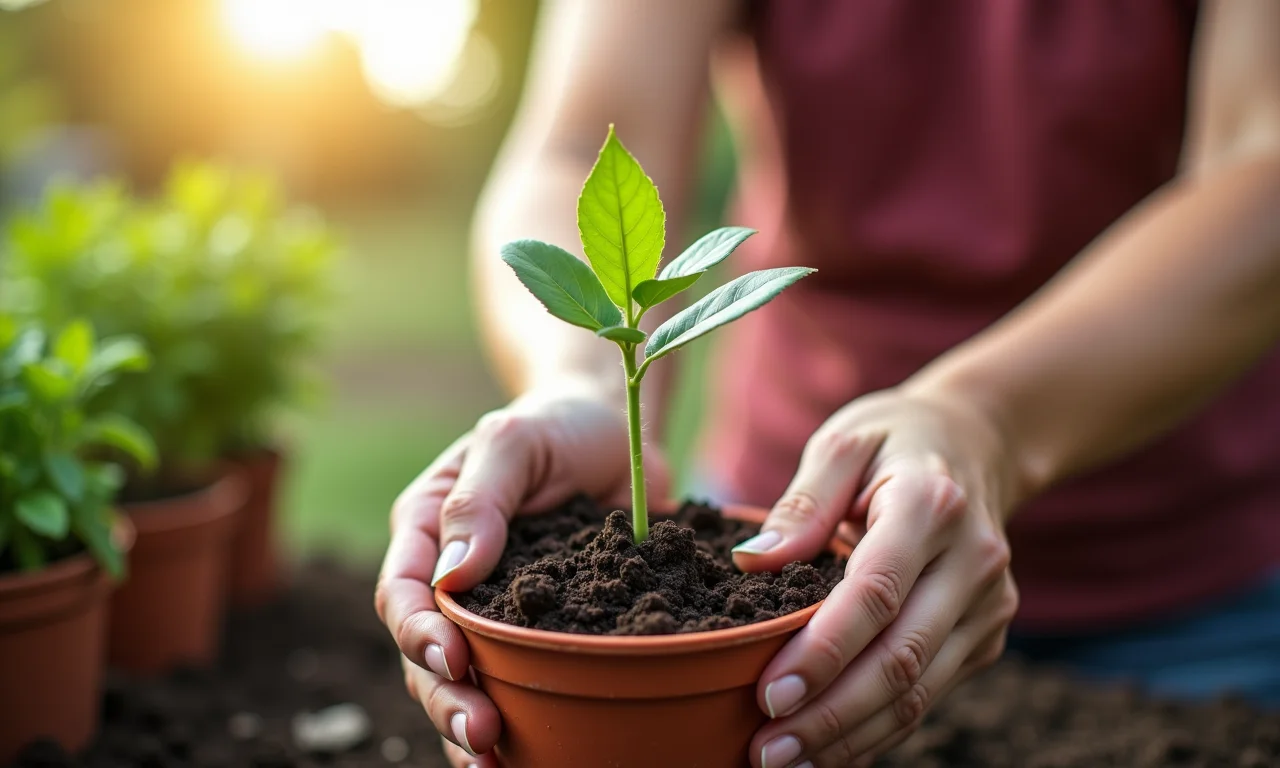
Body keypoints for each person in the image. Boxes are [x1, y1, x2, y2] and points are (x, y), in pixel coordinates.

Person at [375, 1, 1280, 765]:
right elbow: (588, 140)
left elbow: (1263, 162)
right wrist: (581, 382)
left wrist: (982, 420)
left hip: (1187, 589)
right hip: (785, 570)